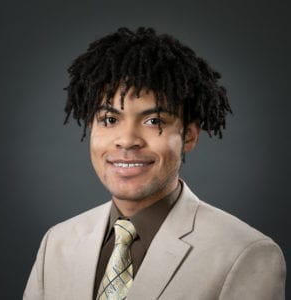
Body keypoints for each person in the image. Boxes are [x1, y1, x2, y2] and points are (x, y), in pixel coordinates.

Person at [23, 27, 286, 300]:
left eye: (154, 121)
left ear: (189, 136)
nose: (127, 141)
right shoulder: (56, 243)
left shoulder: (244, 255)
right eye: (110, 120)